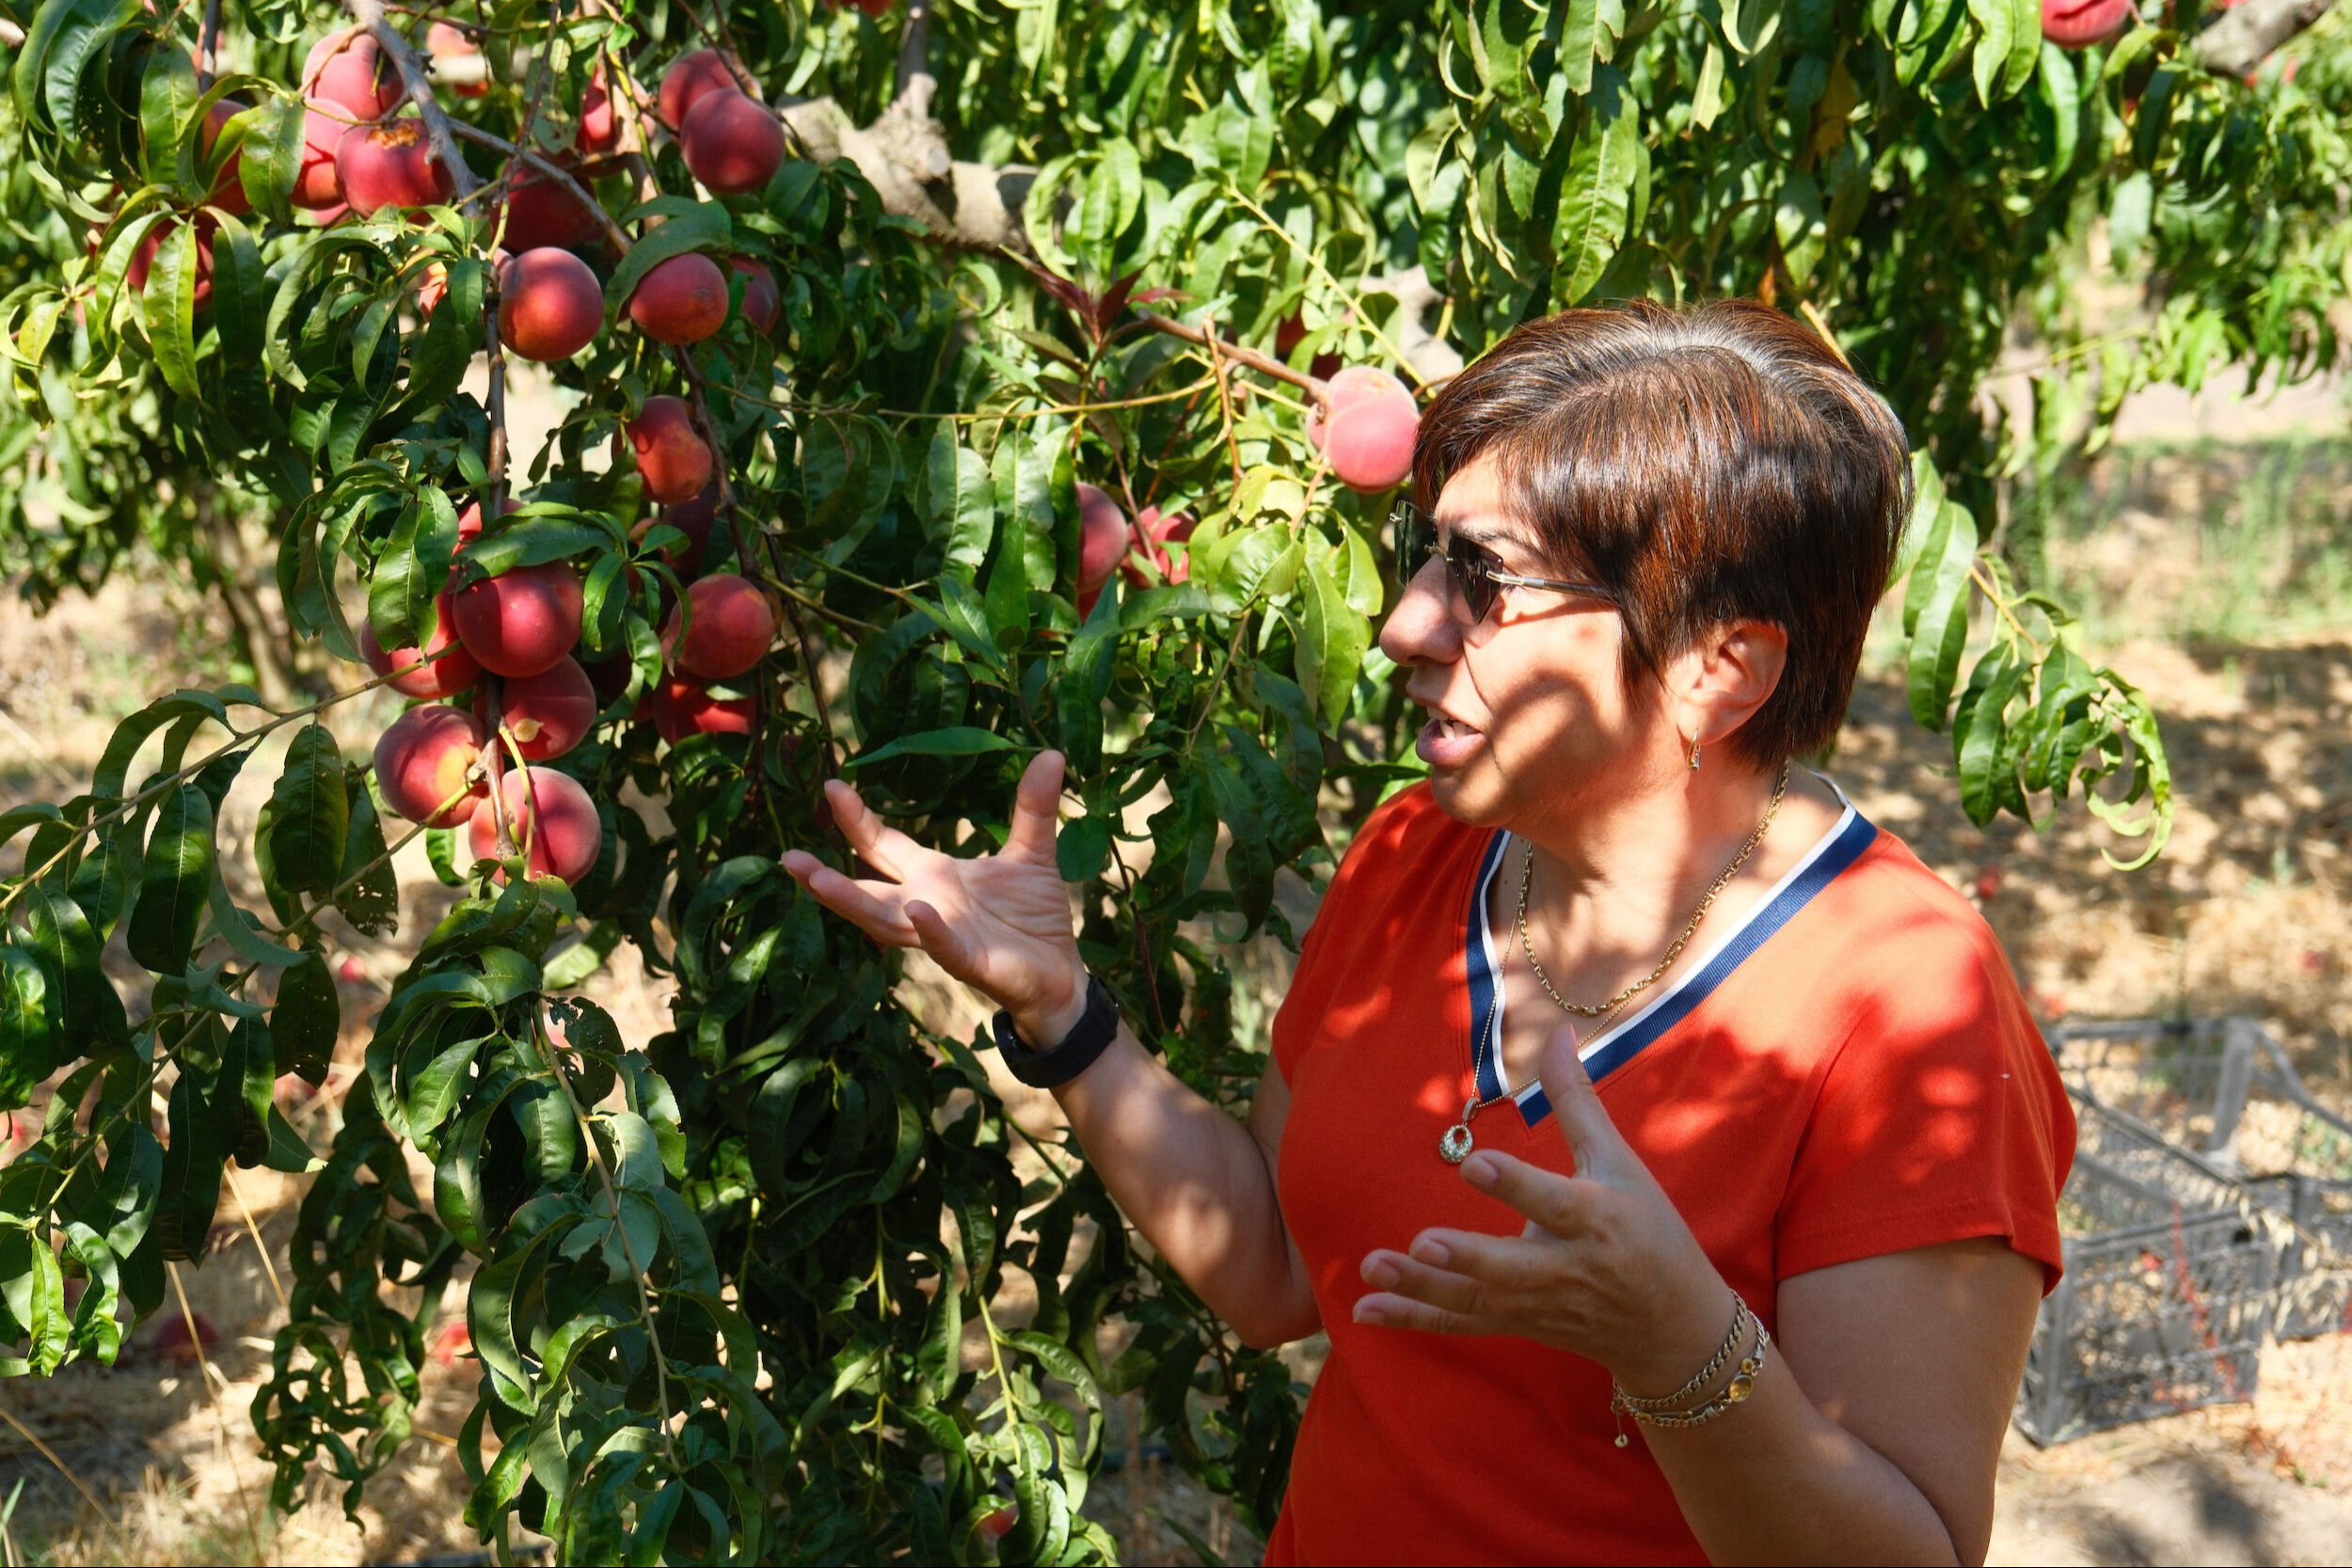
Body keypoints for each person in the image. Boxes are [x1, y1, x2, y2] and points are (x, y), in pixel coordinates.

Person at [783, 299, 2074, 1566]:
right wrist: (1063, 1013)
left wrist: (1683, 1349)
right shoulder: (1418, 858)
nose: (1402, 624)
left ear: (1717, 667)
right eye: (1427, 556)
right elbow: (1282, 1269)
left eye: (1485, 582)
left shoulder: (1908, 1009)